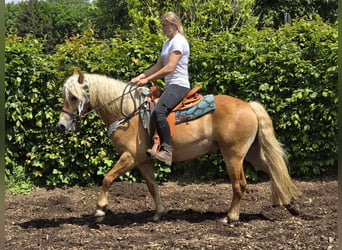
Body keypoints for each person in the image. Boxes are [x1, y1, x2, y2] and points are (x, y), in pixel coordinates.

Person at [130, 12, 190, 166]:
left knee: (159, 111)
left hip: (179, 85)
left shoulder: (178, 41)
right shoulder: (167, 43)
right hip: (171, 85)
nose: (162, 28)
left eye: (165, 25)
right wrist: (140, 76)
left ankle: (167, 150)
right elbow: (158, 65)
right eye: (162, 25)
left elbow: (169, 67)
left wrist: (147, 80)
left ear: (174, 25)